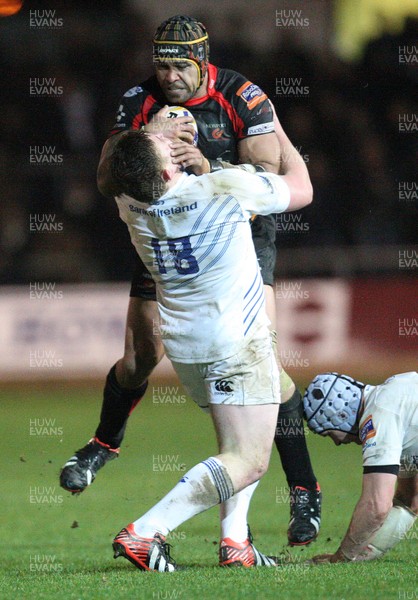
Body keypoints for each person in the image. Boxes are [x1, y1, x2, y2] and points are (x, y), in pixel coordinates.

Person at [60, 14, 321, 545]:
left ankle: (303, 492)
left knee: (264, 364)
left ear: (203, 61)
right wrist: (147, 137)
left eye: (180, 64)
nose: (169, 74)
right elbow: (111, 174)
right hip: (169, 227)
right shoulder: (139, 100)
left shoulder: (242, 96)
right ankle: (103, 445)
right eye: (161, 63)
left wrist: (205, 165)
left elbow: (264, 175)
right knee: (139, 358)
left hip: (234, 233)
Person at [108, 109, 312, 570]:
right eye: (165, 144)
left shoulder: (129, 203)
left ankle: (234, 543)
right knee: (249, 460)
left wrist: (155, 136)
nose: (172, 141)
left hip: (188, 349)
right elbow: (302, 187)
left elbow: (130, 164)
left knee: (244, 432)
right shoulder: (222, 188)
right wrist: (274, 126)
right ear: (165, 169)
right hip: (236, 342)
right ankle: (145, 530)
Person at [303, 371, 417, 563]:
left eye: (329, 434)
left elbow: (377, 505)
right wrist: (362, 553)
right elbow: (410, 500)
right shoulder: (397, 391)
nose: (337, 443)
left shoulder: (379, 414)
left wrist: (341, 558)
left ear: (340, 415)